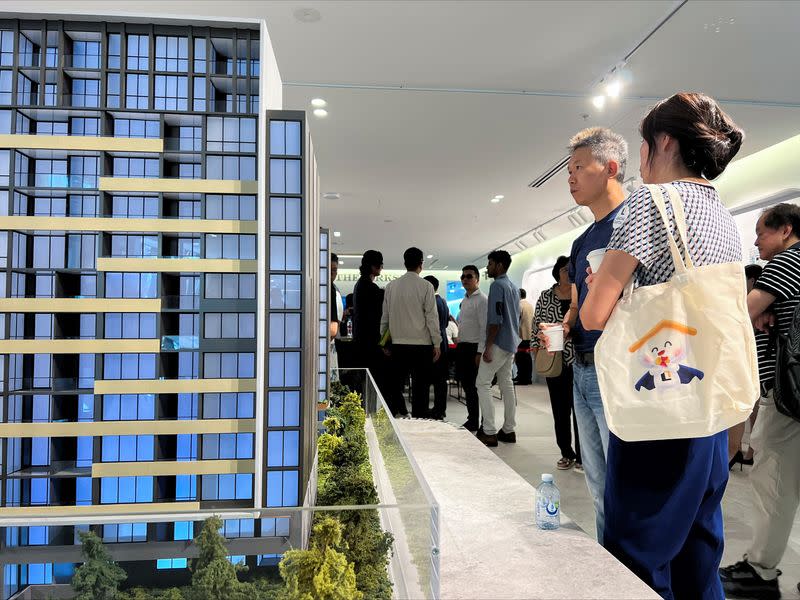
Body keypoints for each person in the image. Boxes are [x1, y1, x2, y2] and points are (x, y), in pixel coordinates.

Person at [579, 92, 744, 598]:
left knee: (638, 551)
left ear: (663, 142)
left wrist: (594, 281)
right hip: (712, 408)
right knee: (699, 552)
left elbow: (593, 314)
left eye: (644, 146)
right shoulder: (722, 211)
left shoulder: (648, 205)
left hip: (659, 410)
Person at [547, 126, 628, 542]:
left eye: (579, 167)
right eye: (569, 169)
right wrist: (564, 324)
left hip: (617, 369)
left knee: (622, 480)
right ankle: (608, 561)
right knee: (596, 480)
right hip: (581, 365)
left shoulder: (631, 228)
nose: (571, 177)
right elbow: (579, 303)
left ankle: (630, 570)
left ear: (611, 168)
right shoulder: (582, 241)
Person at [720, 203, 800, 600]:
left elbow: (740, 315)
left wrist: (753, 314)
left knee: (774, 482)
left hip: (786, 396)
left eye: (762, 233)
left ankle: (760, 570)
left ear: (785, 230)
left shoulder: (786, 264)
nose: (756, 241)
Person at [533, 256, 581, 472]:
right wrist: (536, 347)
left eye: (571, 268)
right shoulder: (546, 296)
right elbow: (537, 324)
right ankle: (566, 452)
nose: (568, 272)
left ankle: (583, 455)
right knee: (560, 410)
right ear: (557, 272)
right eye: (564, 269)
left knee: (580, 410)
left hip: (578, 358)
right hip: (555, 359)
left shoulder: (580, 294)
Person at [380, 247, 442, 418]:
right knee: (421, 391)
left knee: (394, 388)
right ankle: (418, 427)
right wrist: (436, 343)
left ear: (405, 262)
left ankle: (394, 427)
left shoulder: (391, 286)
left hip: (398, 346)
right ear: (421, 263)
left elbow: (385, 317)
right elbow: (431, 318)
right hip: (421, 346)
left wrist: (383, 341)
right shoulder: (426, 286)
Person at [476, 250, 520, 447]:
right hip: (512, 342)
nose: (488, 267)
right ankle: (509, 429)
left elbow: (496, 319)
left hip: (499, 342)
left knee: (482, 384)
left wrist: (488, 346)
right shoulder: (513, 287)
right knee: (506, 384)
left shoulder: (497, 286)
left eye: (491, 263)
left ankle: (489, 431)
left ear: (500, 265)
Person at [727, 263, 764, 469]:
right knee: (751, 409)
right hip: (756, 366)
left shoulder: (751, 305)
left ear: (751, 281)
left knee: (741, 408)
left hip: (748, 364)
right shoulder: (763, 307)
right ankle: (748, 452)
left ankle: (736, 451)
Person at [352, 250, 390, 398]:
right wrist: (384, 343)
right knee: (374, 383)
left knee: (364, 382)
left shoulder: (359, 285)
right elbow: (377, 319)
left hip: (361, 341)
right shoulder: (371, 288)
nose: (381, 268)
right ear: (375, 267)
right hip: (371, 343)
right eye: (381, 265)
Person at [456, 264, 487, 431]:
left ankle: (483, 422)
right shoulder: (465, 300)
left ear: (477, 279)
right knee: (468, 386)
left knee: (477, 388)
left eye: (469, 276)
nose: (465, 279)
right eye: (463, 276)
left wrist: (480, 352)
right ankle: (472, 419)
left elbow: (484, 328)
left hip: (474, 348)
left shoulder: (482, 300)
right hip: (463, 347)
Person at [424, 275, 450, 419]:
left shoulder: (432, 302)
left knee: (432, 380)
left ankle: (437, 410)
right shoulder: (443, 301)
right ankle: (440, 409)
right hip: (443, 342)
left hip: (435, 345)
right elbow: (445, 324)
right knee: (440, 380)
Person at [514, 288, 534, 385]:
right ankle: (527, 378)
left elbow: (515, 321)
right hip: (529, 335)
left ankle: (522, 378)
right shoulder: (529, 305)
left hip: (521, 335)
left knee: (520, 358)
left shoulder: (518, 305)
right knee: (527, 357)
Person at [329, 253, 343, 380]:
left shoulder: (334, 289)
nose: (333, 273)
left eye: (335, 270)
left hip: (329, 344)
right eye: (330, 270)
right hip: (326, 343)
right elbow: (333, 329)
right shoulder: (330, 289)